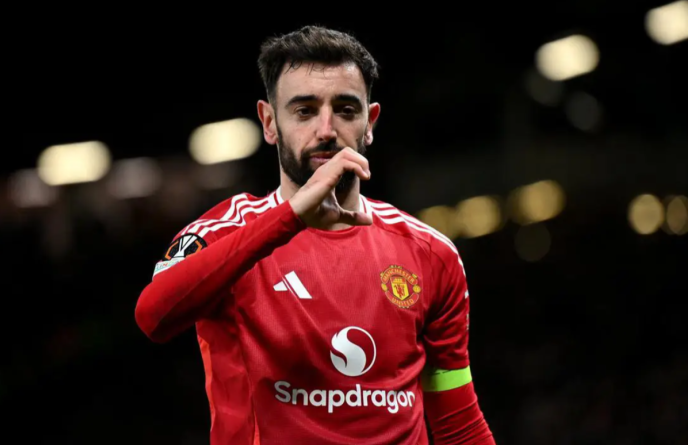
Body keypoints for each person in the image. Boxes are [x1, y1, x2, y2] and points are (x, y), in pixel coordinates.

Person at [135, 25, 495, 445]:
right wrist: (290, 217)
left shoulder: (431, 254)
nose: (326, 129)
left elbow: (458, 422)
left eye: (345, 109)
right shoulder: (226, 233)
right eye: (304, 111)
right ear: (270, 123)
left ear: (370, 122)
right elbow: (153, 317)